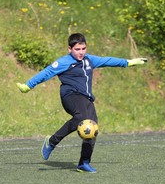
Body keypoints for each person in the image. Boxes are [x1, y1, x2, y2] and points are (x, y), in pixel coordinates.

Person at [16, 33, 146, 173]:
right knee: (81, 118)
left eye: (83, 48)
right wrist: (28, 85)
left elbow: (107, 60)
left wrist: (128, 62)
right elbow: (46, 73)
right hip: (70, 96)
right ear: (69, 49)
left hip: (86, 99)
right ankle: (52, 142)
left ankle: (83, 163)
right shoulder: (63, 62)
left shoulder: (89, 60)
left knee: (92, 127)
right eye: (77, 49)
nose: (81, 52)